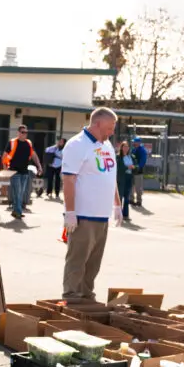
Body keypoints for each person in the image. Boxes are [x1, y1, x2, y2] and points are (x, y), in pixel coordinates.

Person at [61, 108, 124, 299]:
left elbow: (110, 177)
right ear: (97, 123)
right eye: (110, 127)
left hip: (101, 215)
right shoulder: (77, 145)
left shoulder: (107, 147)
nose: (112, 132)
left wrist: (117, 205)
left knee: (94, 263)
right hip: (83, 215)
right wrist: (70, 212)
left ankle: (87, 296)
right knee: (77, 260)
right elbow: (69, 179)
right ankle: (71, 296)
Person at [3, 125, 42, 220]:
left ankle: (15, 211)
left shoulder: (28, 143)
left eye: (26, 132)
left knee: (20, 193)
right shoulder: (12, 143)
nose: (24, 134)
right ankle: (18, 212)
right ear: (18, 133)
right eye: (22, 132)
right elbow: (4, 156)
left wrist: (39, 166)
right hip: (14, 172)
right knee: (18, 192)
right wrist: (5, 170)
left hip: (25, 172)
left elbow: (34, 155)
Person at [117, 140, 134, 222]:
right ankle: (119, 214)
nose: (126, 148)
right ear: (121, 148)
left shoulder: (129, 156)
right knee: (120, 197)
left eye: (127, 147)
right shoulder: (119, 157)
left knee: (127, 198)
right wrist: (127, 167)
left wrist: (134, 167)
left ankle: (126, 214)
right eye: (124, 147)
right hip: (122, 178)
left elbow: (134, 165)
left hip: (129, 177)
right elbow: (119, 168)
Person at [130, 138, 148, 207]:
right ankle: (131, 199)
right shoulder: (133, 149)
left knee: (138, 187)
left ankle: (139, 201)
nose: (133, 143)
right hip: (132, 170)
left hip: (138, 171)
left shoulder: (142, 150)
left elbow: (143, 161)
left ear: (138, 143)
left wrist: (138, 167)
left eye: (134, 142)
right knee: (131, 186)